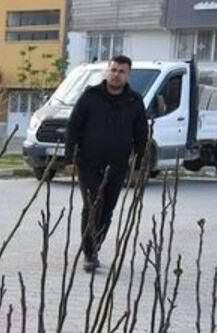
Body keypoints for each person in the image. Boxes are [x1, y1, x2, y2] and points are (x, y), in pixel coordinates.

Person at [65, 54, 148, 272]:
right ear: (106, 71)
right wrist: (69, 159)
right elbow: (73, 128)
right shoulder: (90, 97)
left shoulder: (135, 102)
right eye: (113, 70)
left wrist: (139, 165)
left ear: (128, 75)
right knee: (92, 207)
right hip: (89, 163)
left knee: (107, 210)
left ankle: (96, 244)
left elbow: (141, 135)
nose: (116, 75)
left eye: (122, 71)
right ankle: (89, 253)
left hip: (118, 165)